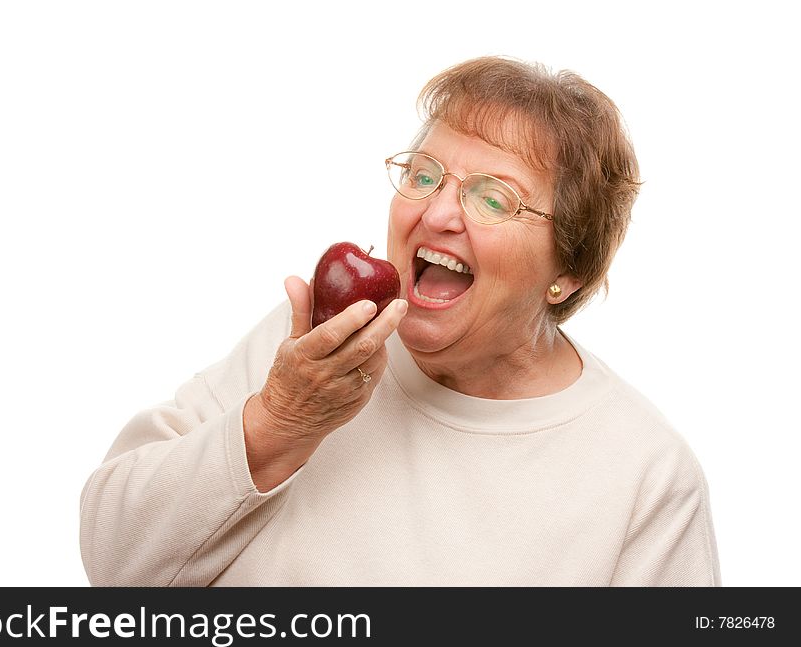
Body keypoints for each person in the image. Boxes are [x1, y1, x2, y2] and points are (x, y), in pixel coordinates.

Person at [79, 56, 721, 586]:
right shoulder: (311, 347)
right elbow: (114, 562)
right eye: (424, 176)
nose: (437, 213)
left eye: (493, 198)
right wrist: (277, 425)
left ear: (569, 271)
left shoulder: (646, 474)